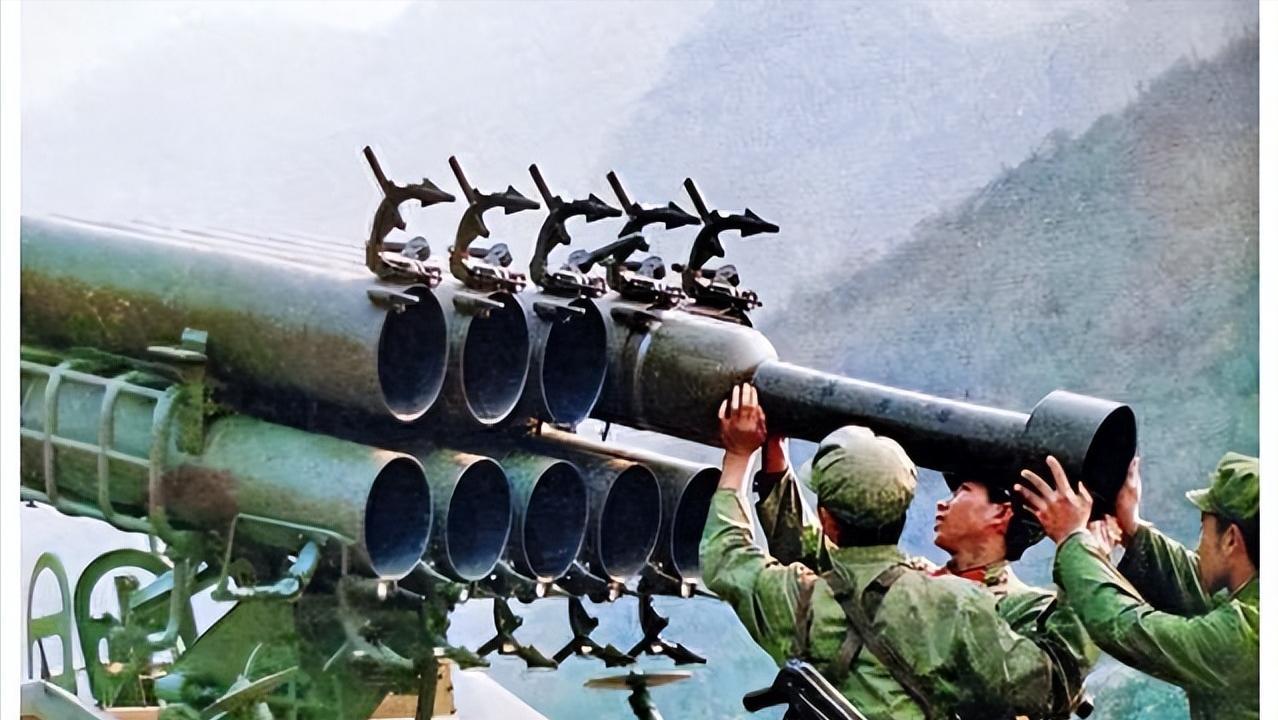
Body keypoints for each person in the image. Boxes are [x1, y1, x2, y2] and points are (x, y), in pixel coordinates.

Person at [700, 383, 1082, 720]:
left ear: (1001, 512)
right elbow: (833, 565)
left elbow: (736, 558)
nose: (944, 503)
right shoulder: (944, 597)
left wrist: (739, 457)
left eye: (962, 491)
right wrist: (775, 466)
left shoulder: (1021, 607)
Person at [1015, 453, 1259, 720]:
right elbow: (1197, 587)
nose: (1199, 546)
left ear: (1231, 539)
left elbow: (1125, 626)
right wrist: (1131, 527)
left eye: (1204, 530)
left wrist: (1072, 539)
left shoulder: (1243, 636)